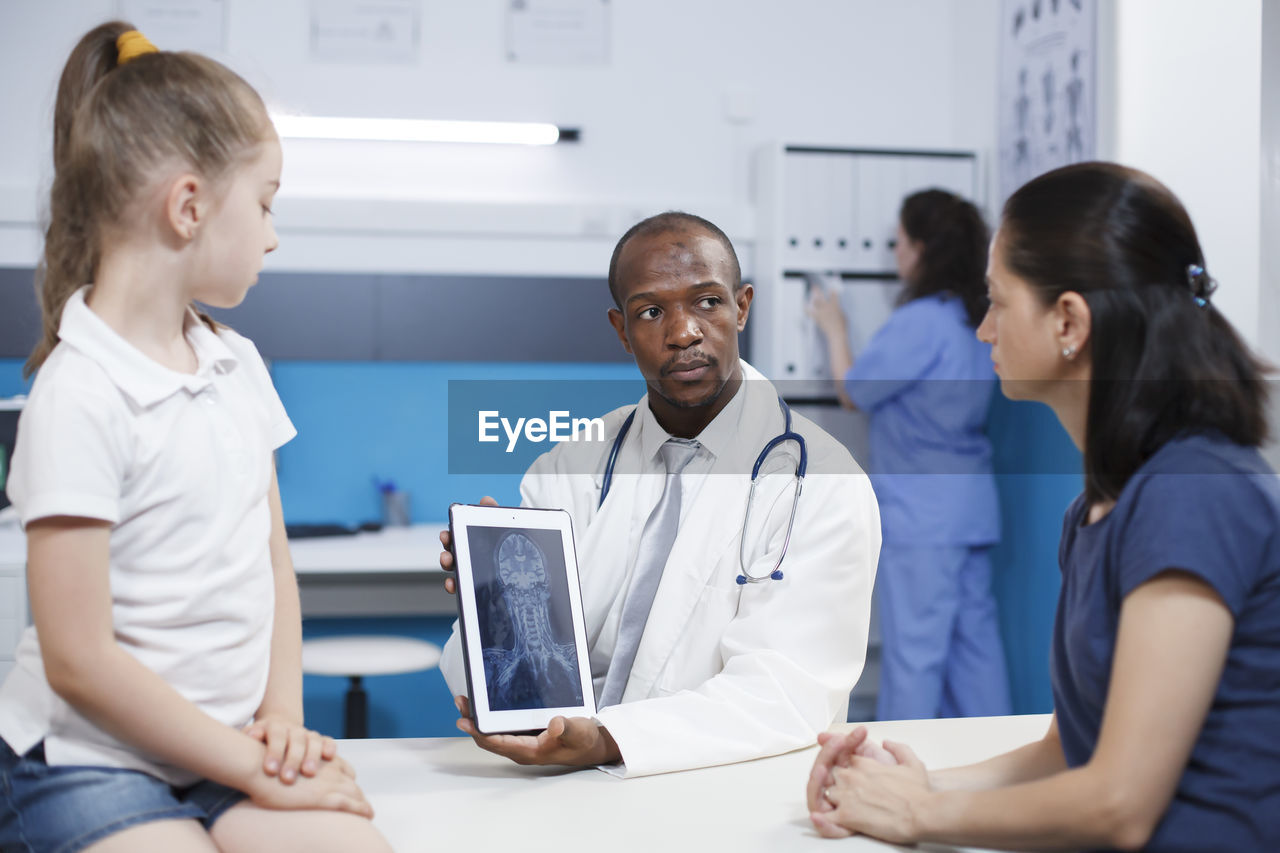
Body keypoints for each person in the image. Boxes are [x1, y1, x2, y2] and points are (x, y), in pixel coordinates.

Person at [807, 162, 1280, 851]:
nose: (983, 330)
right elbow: (1069, 749)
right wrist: (911, 779)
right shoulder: (1097, 507)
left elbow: (1118, 802)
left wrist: (916, 815)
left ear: (1069, 321)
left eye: (998, 302)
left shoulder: (1192, 494)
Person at [0, 23, 391, 853]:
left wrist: (280, 722)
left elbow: (272, 558)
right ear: (188, 207)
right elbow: (78, 661)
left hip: (222, 747)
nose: (273, 234)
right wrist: (249, 767)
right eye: (264, 202)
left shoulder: (236, 365)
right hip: (85, 760)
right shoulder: (78, 392)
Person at [437, 211, 882, 776]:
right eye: (651, 311)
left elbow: (786, 693)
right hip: (561, 784)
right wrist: (487, 603)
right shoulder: (571, 464)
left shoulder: (820, 482)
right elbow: (504, 676)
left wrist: (607, 740)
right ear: (621, 329)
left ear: (741, 307)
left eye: (707, 302)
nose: (683, 333)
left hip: (721, 788)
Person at [809, 189, 1010, 721]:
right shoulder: (976, 320)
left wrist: (834, 326)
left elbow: (856, 390)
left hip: (923, 516)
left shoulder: (921, 321)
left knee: (915, 654)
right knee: (977, 654)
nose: (894, 253)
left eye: (898, 241)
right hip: (970, 509)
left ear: (921, 248)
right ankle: (998, 761)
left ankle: (897, 771)